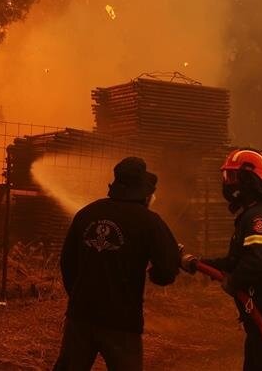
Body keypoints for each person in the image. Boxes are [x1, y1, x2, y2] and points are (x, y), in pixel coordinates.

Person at [54, 157, 180, 371]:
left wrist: (78, 295)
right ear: (144, 192)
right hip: (122, 322)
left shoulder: (86, 214)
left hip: (81, 316)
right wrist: (154, 274)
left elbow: (67, 262)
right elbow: (167, 270)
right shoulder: (149, 221)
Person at [181, 148, 262, 371]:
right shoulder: (254, 213)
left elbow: (259, 263)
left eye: (233, 177)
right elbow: (236, 262)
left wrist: (234, 282)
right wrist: (198, 263)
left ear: (248, 180)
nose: (227, 184)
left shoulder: (260, 218)